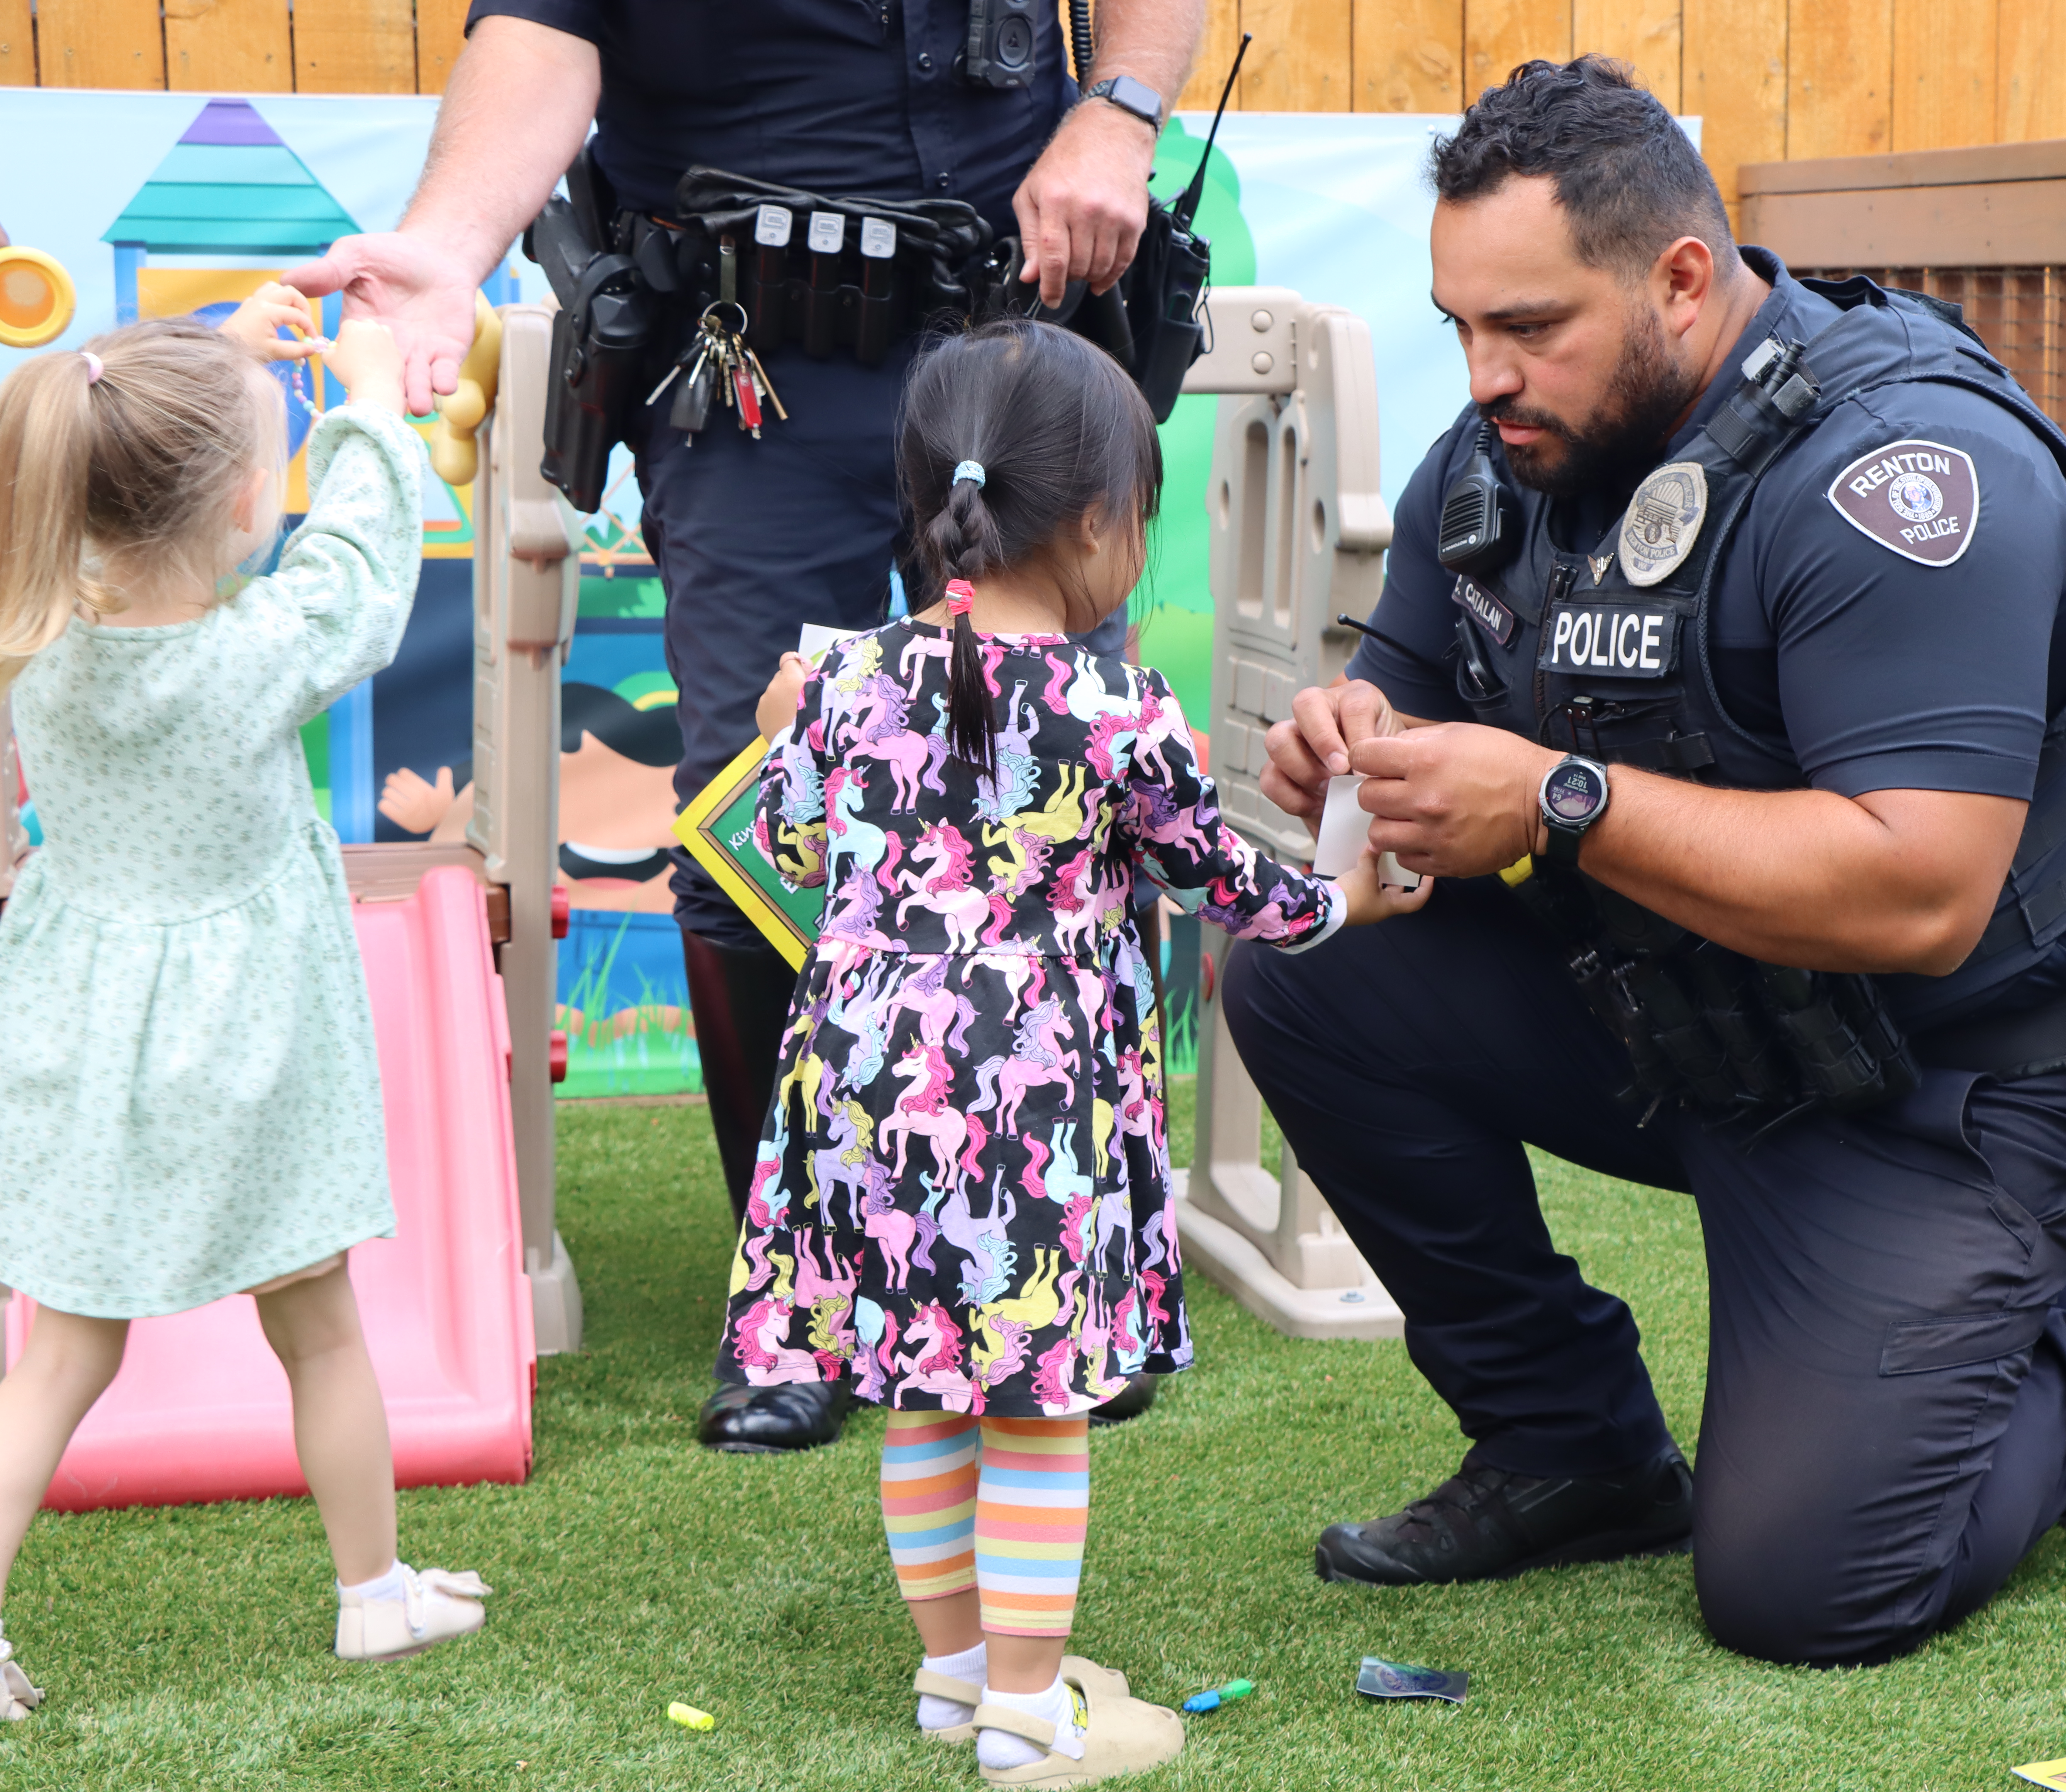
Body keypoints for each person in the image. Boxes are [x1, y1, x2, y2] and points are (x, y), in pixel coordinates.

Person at [1225, 57, 2066, 1668]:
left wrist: (1556, 800)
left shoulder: (1904, 478)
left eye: (1532, 325)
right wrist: (1353, 763)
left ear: (1683, 279)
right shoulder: (1507, 458)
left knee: (1806, 1590)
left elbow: (1923, 891)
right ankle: (1571, 1444)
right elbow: (1414, 734)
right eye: (1463, 328)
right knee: (1305, 966)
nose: (1485, 376)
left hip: (1944, 1086)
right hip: (1679, 1016)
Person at [287, 0, 1207, 1454]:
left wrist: (1122, 111)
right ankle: (809, 1300)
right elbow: (543, 29)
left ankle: (1063, 1278)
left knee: (1073, 805)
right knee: (750, 834)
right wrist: (447, 253)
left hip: (1019, 336)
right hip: (750, 359)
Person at [726, 319, 1427, 1785]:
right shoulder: (1119, 711)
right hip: (1028, 1099)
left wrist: (779, 731)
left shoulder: (844, 682)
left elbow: (783, 854)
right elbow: (1238, 896)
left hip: (858, 1088)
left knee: (922, 1387)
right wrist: (1355, 892)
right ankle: (1034, 1718)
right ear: (1104, 521)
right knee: (1037, 1408)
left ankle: (955, 1678)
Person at [0, 298, 494, 1716]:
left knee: (61, 1356)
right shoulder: (260, 647)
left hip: (83, 1027)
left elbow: (111, 433)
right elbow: (362, 553)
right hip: (253, 1046)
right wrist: (354, 392)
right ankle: (371, 1596)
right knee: (320, 1328)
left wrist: (211, 346)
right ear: (233, 505)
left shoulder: (40, 642)